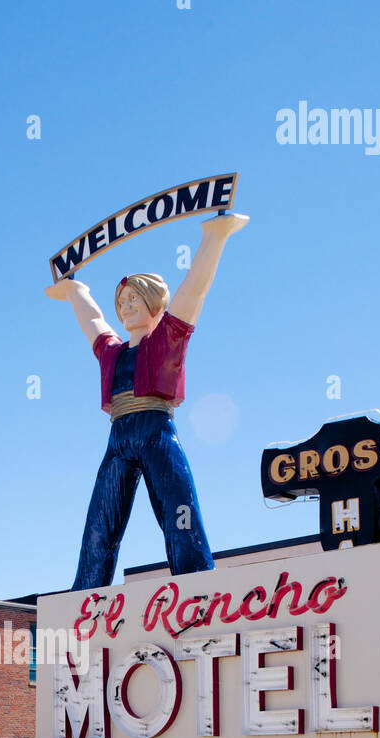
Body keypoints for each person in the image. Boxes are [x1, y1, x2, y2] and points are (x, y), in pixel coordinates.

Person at [45, 211, 248, 591]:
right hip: (118, 437)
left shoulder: (166, 339)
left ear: (154, 303)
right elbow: (93, 322)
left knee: (178, 511)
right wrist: (76, 292)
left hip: (157, 431)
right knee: (99, 521)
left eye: (135, 298)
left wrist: (214, 238)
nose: (126, 306)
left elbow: (194, 290)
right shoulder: (112, 351)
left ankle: (196, 586)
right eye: (121, 300)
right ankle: (86, 593)